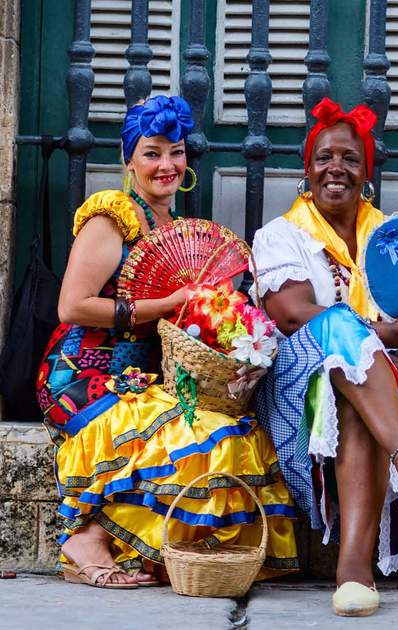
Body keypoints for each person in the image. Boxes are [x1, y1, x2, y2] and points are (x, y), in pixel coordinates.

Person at [35, 95, 297, 588]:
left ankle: (167, 550)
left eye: (175, 152)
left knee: (228, 429)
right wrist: (166, 303)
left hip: (147, 376)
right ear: (128, 158)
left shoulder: (175, 230)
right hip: (82, 373)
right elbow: (71, 307)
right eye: (152, 153)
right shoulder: (111, 220)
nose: (167, 165)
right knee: (188, 437)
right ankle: (84, 538)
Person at [252, 98, 398, 616]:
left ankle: (353, 576)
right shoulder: (281, 236)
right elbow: (297, 315)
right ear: (307, 168)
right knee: (336, 326)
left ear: (366, 172)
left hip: (380, 393)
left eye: (349, 158)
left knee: (354, 398)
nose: (335, 168)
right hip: (298, 386)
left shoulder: (390, 238)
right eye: (324, 157)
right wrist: (390, 331)